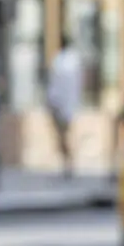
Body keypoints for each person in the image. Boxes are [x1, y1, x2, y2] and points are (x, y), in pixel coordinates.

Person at [48, 43, 83, 178]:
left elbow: (57, 85)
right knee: (63, 136)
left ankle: (68, 164)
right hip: (64, 105)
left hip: (62, 105)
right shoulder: (68, 61)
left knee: (63, 136)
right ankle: (67, 164)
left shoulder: (63, 62)